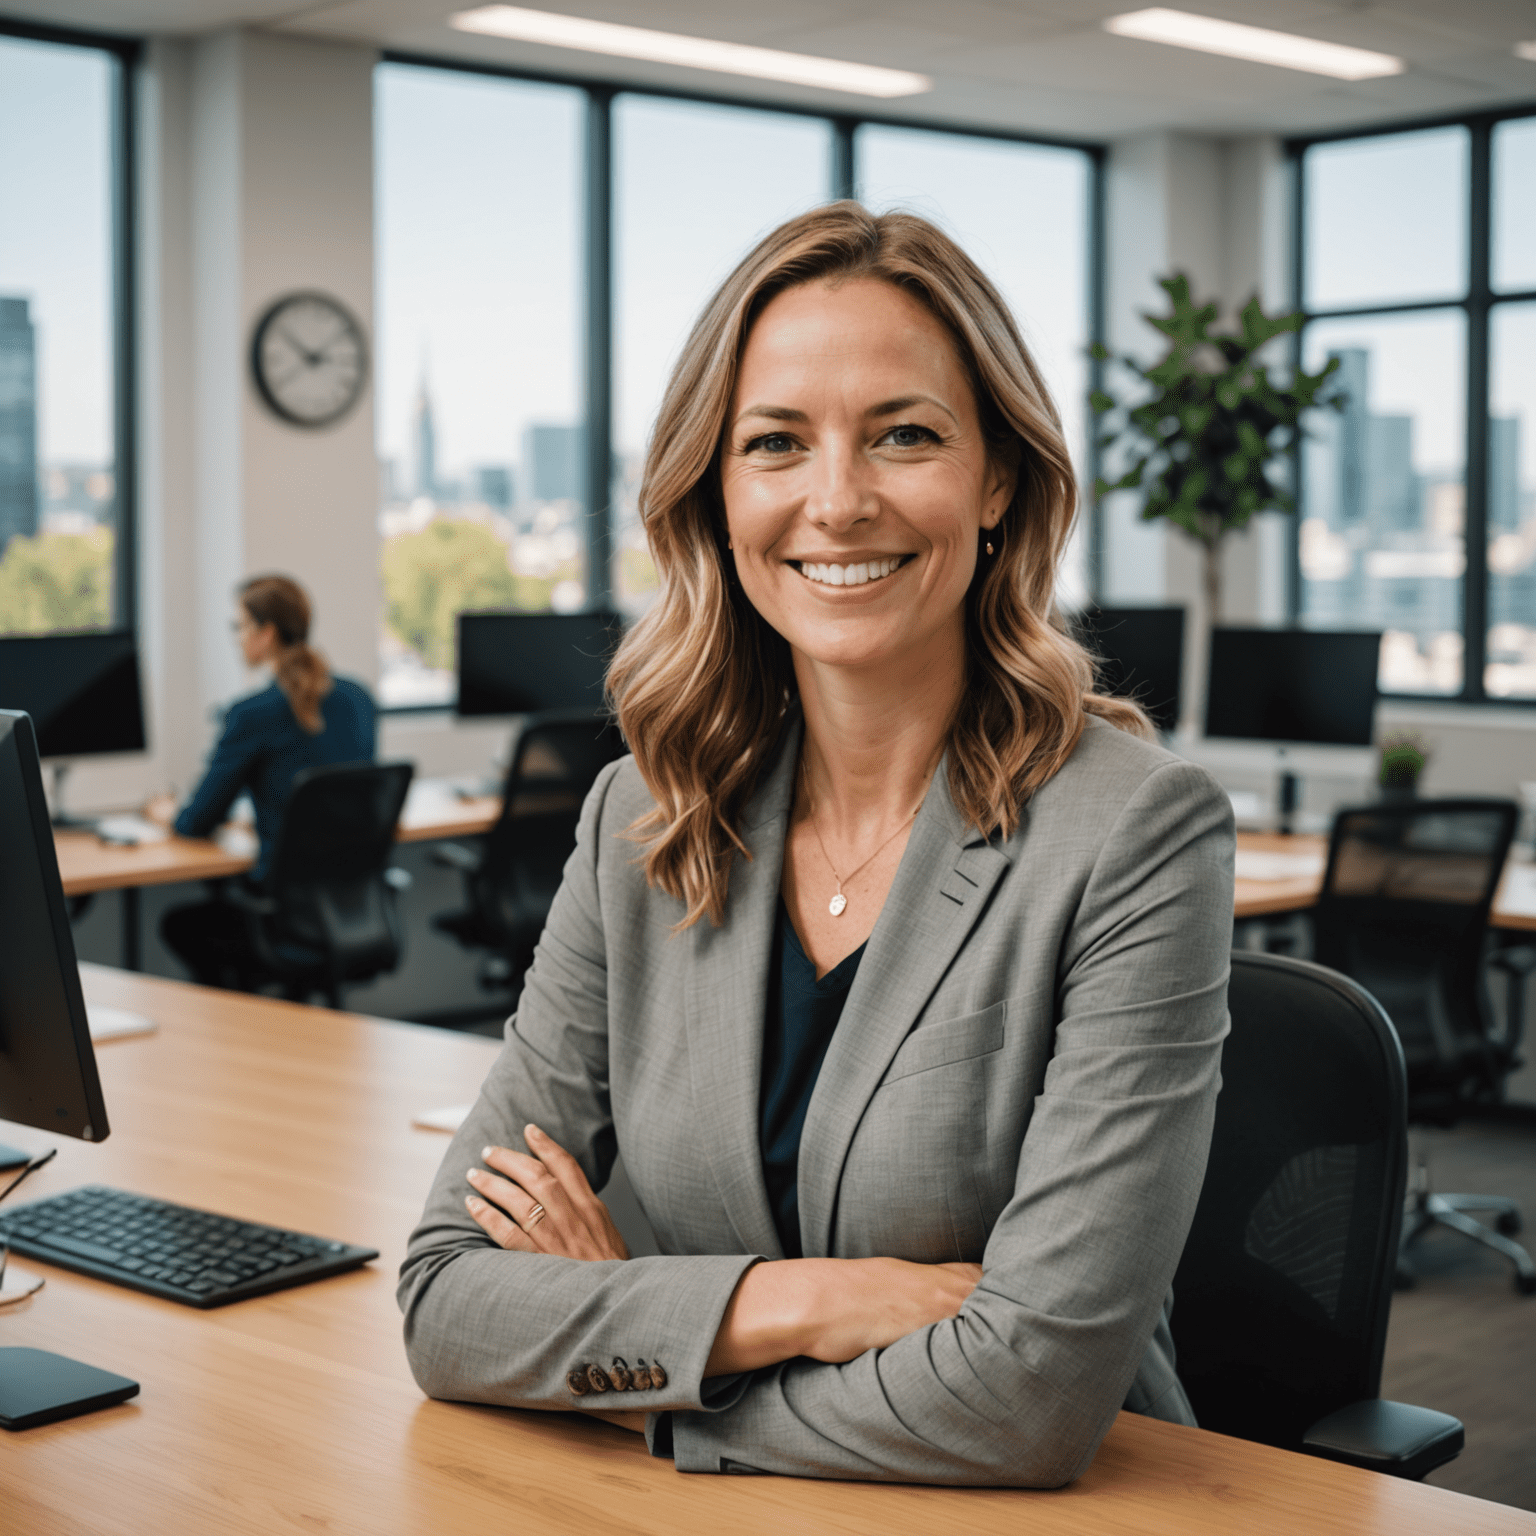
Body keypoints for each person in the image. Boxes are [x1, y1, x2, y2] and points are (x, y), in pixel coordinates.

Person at [399, 204, 1234, 1486]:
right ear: (718, 493)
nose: (837, 502)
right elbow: (448, 1301)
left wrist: (642, 1368)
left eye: (905, 435)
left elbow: (1029, 1396)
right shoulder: (643, 816)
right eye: (776, 443)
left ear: (998, 476)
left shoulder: (1132, 831)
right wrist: (812, 1305)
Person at [157, 574, 376, 988]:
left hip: (284, 919)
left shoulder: (252, 713)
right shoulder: (358, 699)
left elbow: (196, 821)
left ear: (267, 633)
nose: (236, 639)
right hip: (351, 912)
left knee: (181, 925)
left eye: (239, 627)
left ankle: (244, 1043)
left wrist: (170, 812)